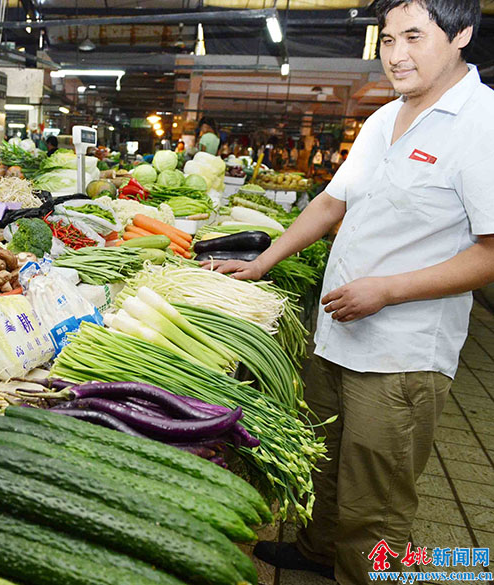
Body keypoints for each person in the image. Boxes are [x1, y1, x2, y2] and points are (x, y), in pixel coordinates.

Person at [208, 0, 493, 582]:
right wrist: (262, 263)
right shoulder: (385, 119)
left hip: (402, 352)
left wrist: (387, 290)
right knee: (328, 462)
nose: (397, 55)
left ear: (462, 33)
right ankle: (318, 553)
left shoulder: (481, 126)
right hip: (339, 331)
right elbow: (332, 202)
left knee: (377, 495)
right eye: (387, 40)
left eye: (414, 37)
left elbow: (490, 252)